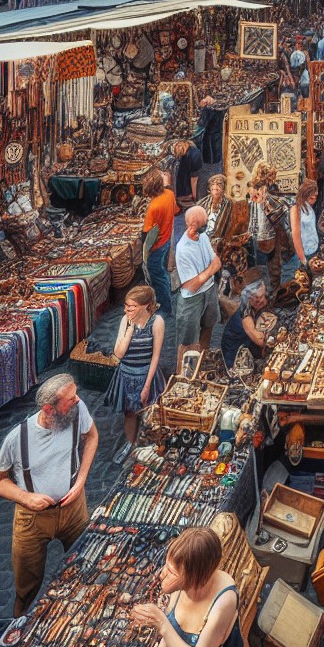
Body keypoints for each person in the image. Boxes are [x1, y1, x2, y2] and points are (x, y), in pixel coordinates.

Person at [0, 375, 98, 616]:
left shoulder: (77, 410)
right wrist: (26, 498)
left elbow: (92, 437)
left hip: (73, 510)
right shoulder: (17, 438)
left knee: (84, 565)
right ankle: (17, 626)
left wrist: (80, 480)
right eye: (70, 399)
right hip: (32, 520)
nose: (78, 400)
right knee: (26, 587)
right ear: (50, 408)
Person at [105, 286, 167, 450]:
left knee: (151, 412)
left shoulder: (157, 322)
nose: (127, 309)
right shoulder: (125, 321)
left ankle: (150, 445)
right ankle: (130, 444)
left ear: (145, 305)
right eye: (126, 305)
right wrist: (130, 331)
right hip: (126, 374)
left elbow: (155, 356)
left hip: (146, 373)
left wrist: (147, 386)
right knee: (130, 413)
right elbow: (118, 353)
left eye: (132, 307)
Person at [176, 206, 222, 352]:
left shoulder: (203, 236)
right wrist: (210, 269)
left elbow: (218, 262)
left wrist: (203, 275)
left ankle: (203, 356)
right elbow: (192, 285)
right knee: (187, 341)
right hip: (192, 299)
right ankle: (185, 371)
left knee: (208, 326)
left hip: (209, 289)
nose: (206, 225)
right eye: (204, 223)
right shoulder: (183, 249)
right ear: (193, 226)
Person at [248, 164, 291, 295]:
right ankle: (272, 294)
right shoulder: (269, 190)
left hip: (258, 234)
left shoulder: (253, 190)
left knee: (262, 268)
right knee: (273, 267)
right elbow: (277, 215)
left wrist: (251, 231)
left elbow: (253, 212)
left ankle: (264, 294)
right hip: (270, 233)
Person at [141, 169, 177, 319]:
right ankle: (165, 301)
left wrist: (145, 253)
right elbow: (175, 210)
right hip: (166, 240)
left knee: (157, 275)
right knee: (162, 273)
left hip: (157, 246)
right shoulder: (169, 194)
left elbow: (148, 234)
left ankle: (165, 308)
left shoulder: (154, 207)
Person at [219, 278, 270, 370]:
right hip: (236, 355)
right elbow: (263, 342)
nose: (263, 300)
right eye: (258, 299)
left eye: (263, 296)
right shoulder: (245, 318)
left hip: (248, 346)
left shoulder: (255, 306)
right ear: (250, 299)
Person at [290, 179, 320, 270]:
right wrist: (303, 260)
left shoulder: (309, 208)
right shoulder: (296, 209)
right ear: (305, 195)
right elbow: (296, 236)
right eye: (312, 198)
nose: (314, 200)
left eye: (315, 197)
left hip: (313, 250)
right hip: (304, 254)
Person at [196, 174, 230, 251]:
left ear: (224, 188)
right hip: (202, 240)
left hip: (220, 243)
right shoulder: (201, 203)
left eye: (219, 184)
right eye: (213, 184)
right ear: (209, 188)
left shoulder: (230, 204)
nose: (215, 186)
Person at [172, 138, 204, 208]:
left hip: (186, 190)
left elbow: (194, 180)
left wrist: (194, 196)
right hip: (182, 188)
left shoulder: (195, 155)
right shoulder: (190, 153)